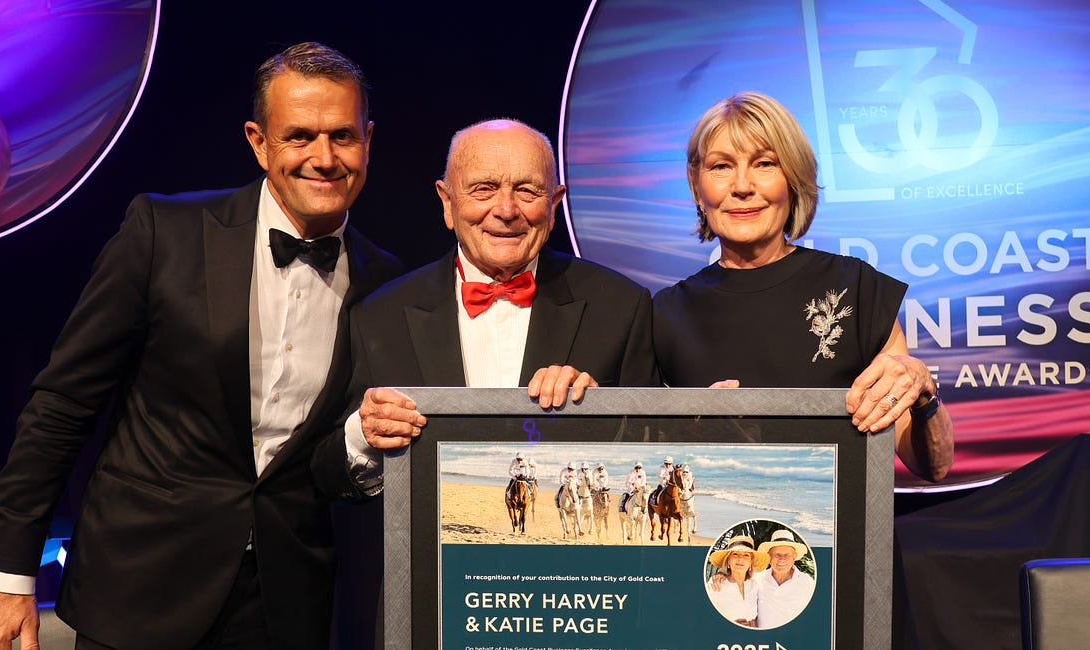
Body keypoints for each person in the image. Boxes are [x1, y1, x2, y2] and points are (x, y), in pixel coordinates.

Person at [0, 42, 403, 650]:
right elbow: (62, 405)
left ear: (368, 139)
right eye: (299, 136)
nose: (323, 158)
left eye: (343, 136)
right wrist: (8, 573)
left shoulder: (388, 284)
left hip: (283, 609)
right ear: (258, 141)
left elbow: (342, 454)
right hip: (137, 588)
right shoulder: (164, 233)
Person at [652, 91, 954, 482]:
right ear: (697, 187)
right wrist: (690, 435)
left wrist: (924, 394)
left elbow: (934, 465)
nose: (742, 186)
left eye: (764, 164)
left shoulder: (856, 290)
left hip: (848, 537)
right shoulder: (663, 314)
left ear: (793, 179)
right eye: (722, 166)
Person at [346, 118, 659, 451]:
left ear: (554, 206)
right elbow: (329, 473)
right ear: (448, 203)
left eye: (527, 190)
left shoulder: (621, 307)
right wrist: (363, 434)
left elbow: (658, 447)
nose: (507, 210)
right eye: (484, 188)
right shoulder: (378, 316)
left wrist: (602, 417)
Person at [754, 529, 815, 628]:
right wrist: (722, 575)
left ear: (794, 558)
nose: (782, 559)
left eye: (787, 555)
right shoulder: (757, 579)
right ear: (769, 557)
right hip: (763, 641)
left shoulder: (807, 582)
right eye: (777, 555)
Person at [706, 535, 769, 627]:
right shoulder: (716, 584)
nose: (740, 559)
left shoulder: (755, 584)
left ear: (751, 562)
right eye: (735, 554)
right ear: (728, 560)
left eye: (746, 555)